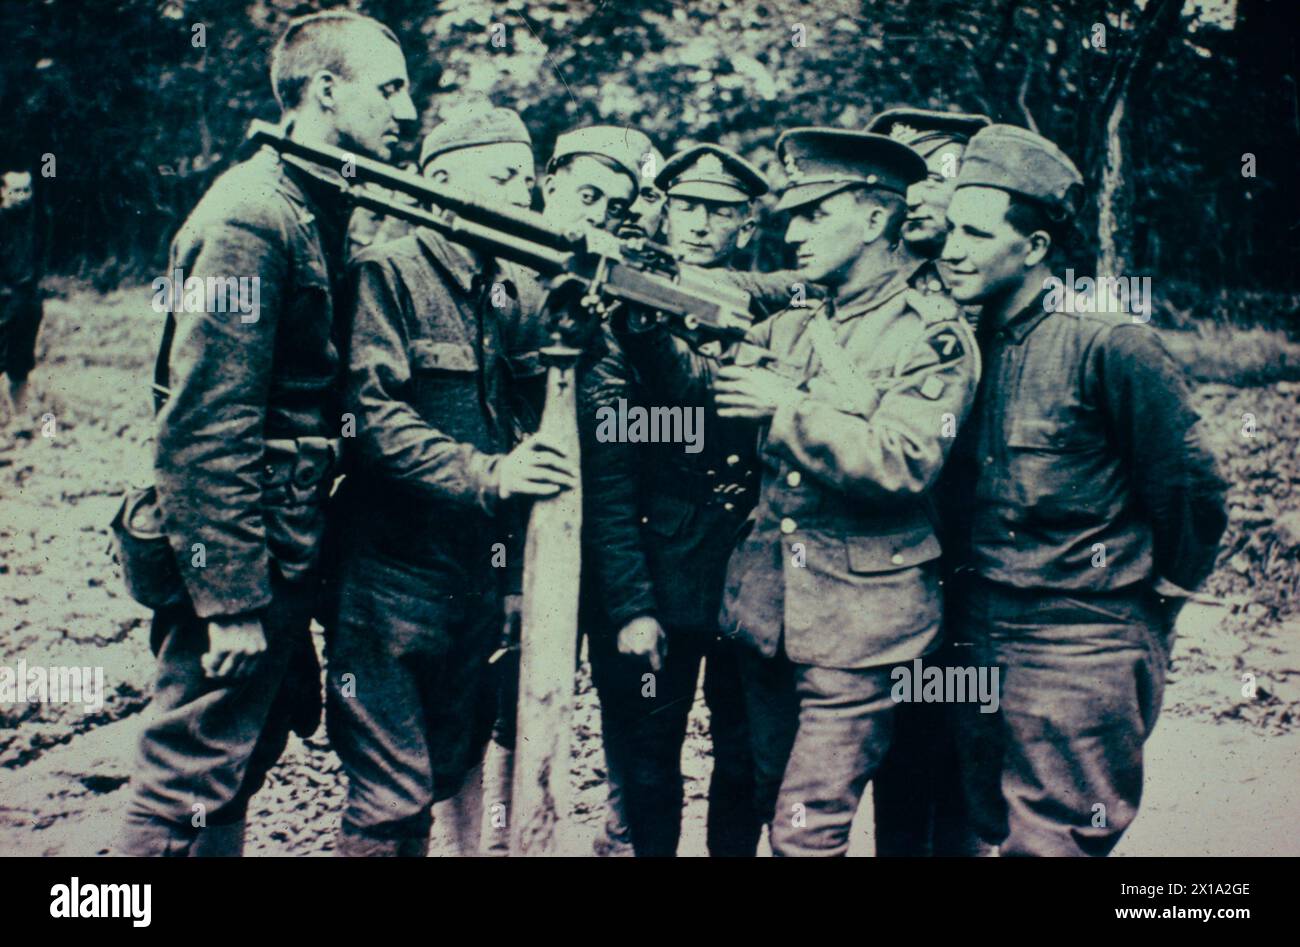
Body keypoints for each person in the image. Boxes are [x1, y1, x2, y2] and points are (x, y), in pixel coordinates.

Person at [120, 10, 417, 857]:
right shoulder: (253, 216)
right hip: (244, 558)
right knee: (189, 774)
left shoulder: (317, 203)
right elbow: (203, 426)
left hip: (281, 544)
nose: (407, 110)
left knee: (238, 760)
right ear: (326, 91)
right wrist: (232, 603)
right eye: (389, 89)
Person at [939, 123, 1228, 856]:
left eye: (974, 233)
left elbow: (1192, 493)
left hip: (1080, 636)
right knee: (979, 832)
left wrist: (1150, 603)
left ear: (1034, 248)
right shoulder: (954, 343)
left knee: (1056, 842)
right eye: (949, 229)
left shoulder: (1110, 342)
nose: (950, 248)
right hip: (975, 627)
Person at [714, 128, 980, 857]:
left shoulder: (933, 337)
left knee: (807, 826)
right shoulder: (795, 327)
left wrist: (785, 408)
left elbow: (904, 461)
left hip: (863, 627)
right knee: (774, 805)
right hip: (767, 615)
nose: (793, 233)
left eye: (814, 213)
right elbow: (698, 380)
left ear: (873, 220)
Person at [325, 107, 576, 857]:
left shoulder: (505, 291)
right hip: (388, 582)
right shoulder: (388, 273)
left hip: (468, 579)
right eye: (503, 179)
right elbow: (370, 419)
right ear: (439, 183)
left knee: (445, 767)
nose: (522, 201)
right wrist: (490, 474)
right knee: (390, 797)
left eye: (528, 186)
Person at [583, 144, 769, 856]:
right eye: (686, 205)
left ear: (745, 228)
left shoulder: (772, 305)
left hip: (750, 570)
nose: (698, 222)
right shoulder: (625, 308)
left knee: (746, 754)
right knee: (650, 759)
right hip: (658, 568)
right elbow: (609, 476)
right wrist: (630, 603)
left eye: (719, 211)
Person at [863, 107, 992, 857]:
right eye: (904, 175)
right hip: (896, 555)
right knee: (903, 748)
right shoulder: (863, 295)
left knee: (973, 750)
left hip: (985, 564)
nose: (921, 194)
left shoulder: (1007, 295)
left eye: (939, 173)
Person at [0, 169, 42, 430]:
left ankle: (19, 419)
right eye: (15, 190)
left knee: (21, 362)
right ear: (3, 192)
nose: (22, 196)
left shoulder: (35, 222)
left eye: (26, 190)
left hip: (26, 301)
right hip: (2, 300)